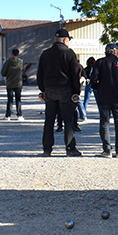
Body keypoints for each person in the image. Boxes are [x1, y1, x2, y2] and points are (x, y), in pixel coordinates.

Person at [37, 28, 82, 157]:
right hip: (65, 90)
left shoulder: (45, 54)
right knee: (68, 120)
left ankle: (47, 149)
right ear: (64, 40)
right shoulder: (69, 53)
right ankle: (70, 148)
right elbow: (74, 74)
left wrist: (43, 90)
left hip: (50, 90)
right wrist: (76, 92)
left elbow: (40, 74)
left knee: (49, 120)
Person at [1, 48, 24, 121]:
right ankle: (19, 115)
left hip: (10, 83)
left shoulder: (8, 62)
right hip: (18, 83)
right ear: (18, 54)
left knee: (10, 100)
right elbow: (23, 69)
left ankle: (8, 115)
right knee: (18, 100)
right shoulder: (21, 62)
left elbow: (3, 73)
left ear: (11, 54)